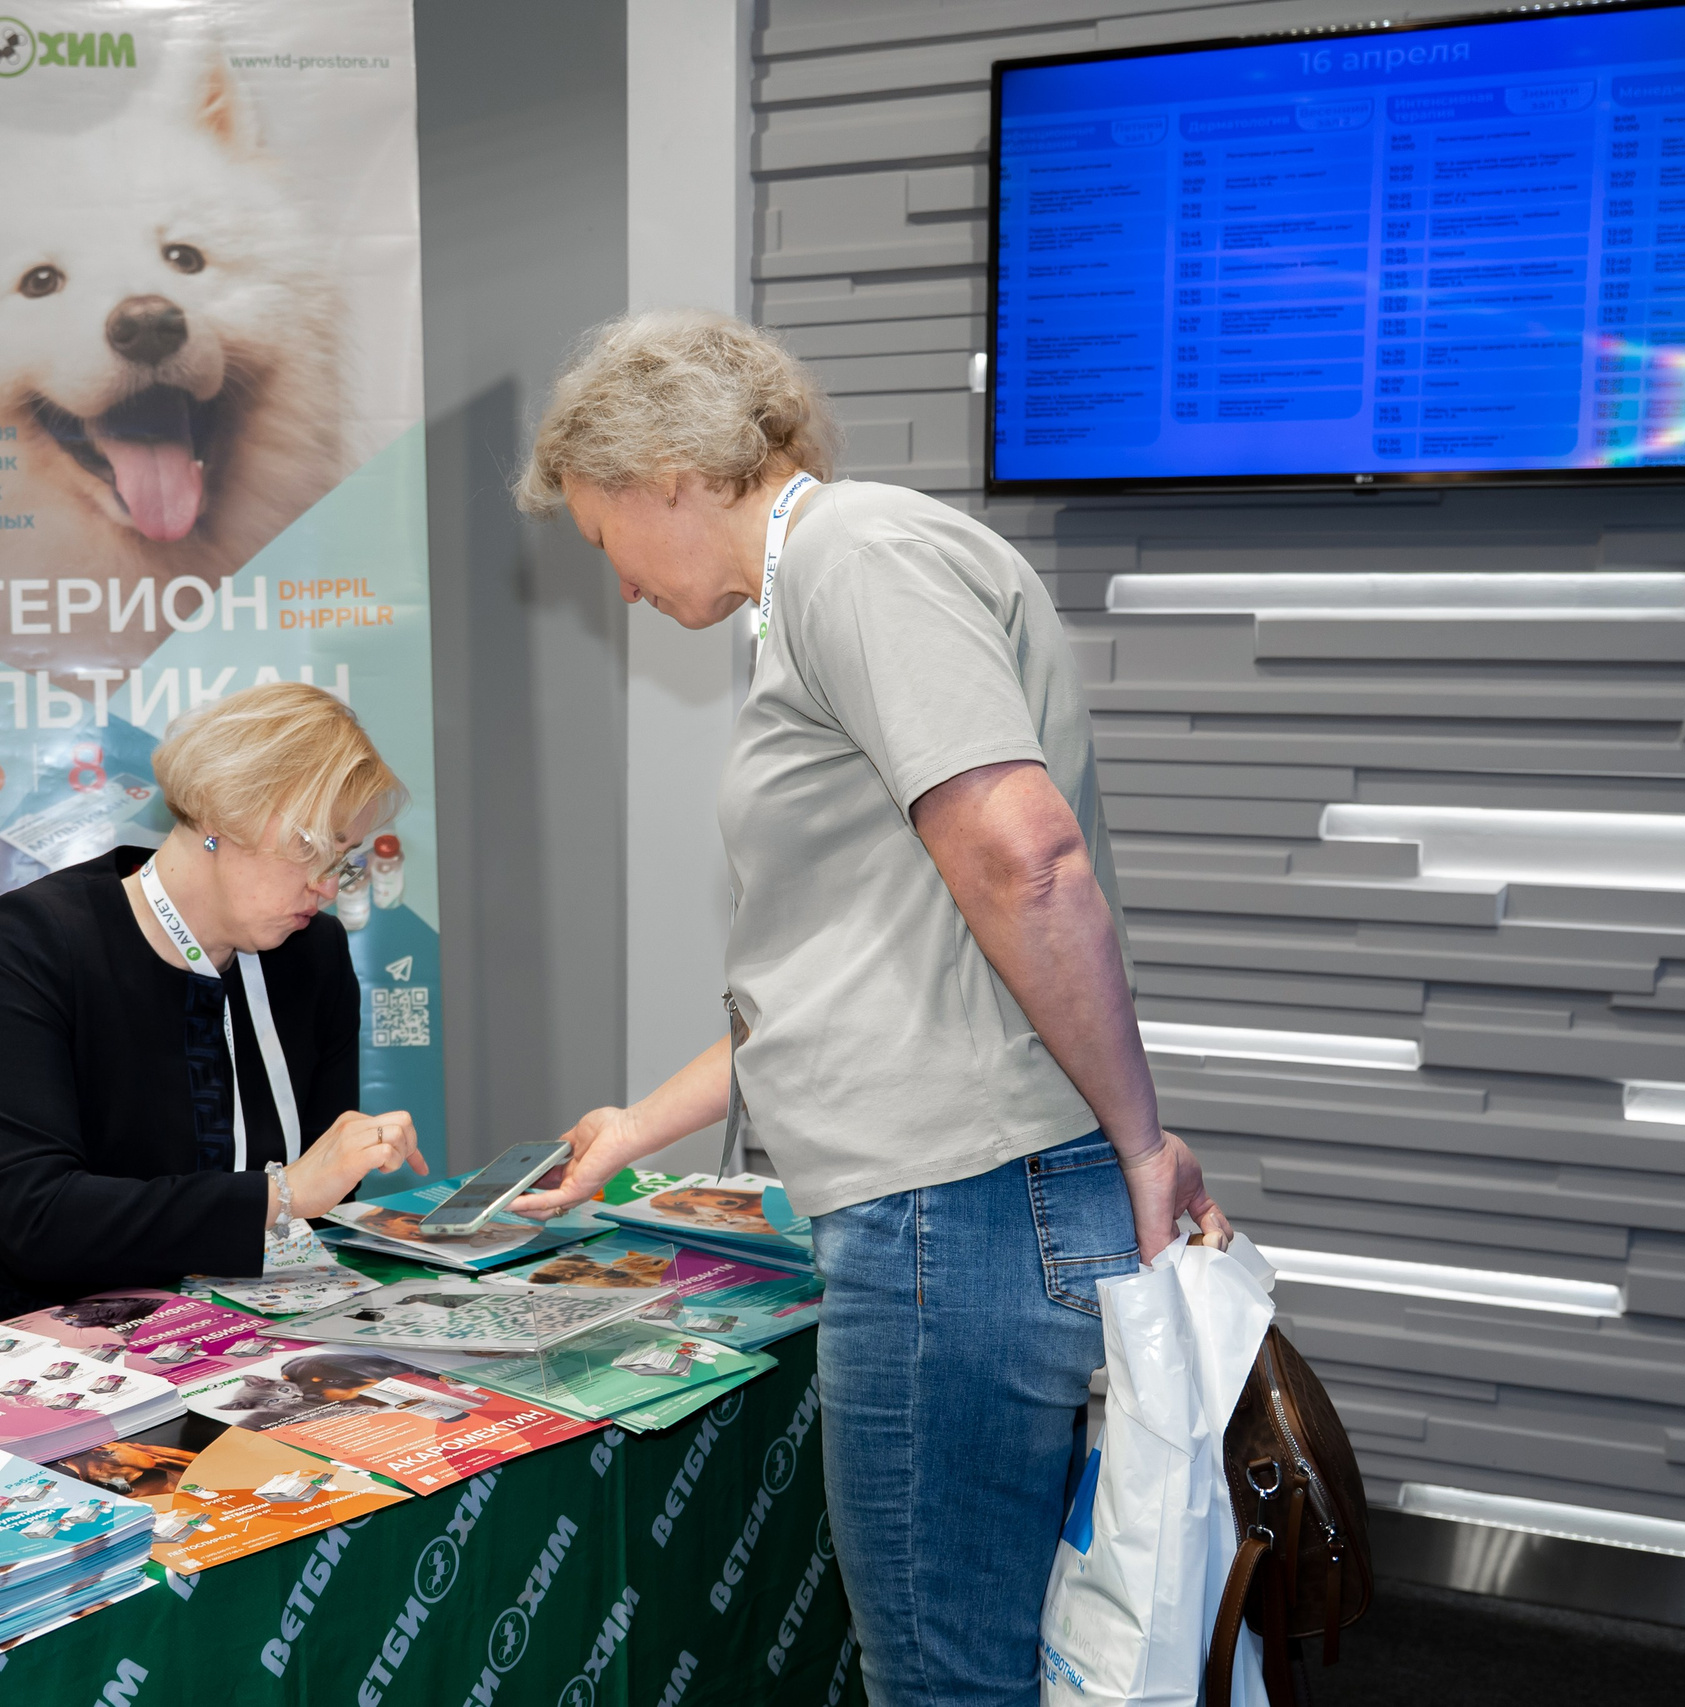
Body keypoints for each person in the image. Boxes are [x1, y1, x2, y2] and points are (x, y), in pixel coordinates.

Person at [506, 310, 1231, 1707]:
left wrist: (1143, 1140)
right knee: (995, 1647)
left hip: (948, 1211)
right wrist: (637, 1125)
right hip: (975, 1196)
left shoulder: (856, 559)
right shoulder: (842, 578)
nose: (620, 589)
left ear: (662, 472)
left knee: (941, 1674)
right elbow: (863, 967)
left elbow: (1026, 857)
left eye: (601, 539)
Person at [0, 682, 427, 1319]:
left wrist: (345, 1158)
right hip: (41, 1333)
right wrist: (280, 1194)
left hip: (234, 1325)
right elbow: (37, 1217)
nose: (325, 886)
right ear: (223, 813)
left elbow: (321, 1182)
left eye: (343, 857)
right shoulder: (36, 940)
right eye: (311, 849)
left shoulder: (313, 951)